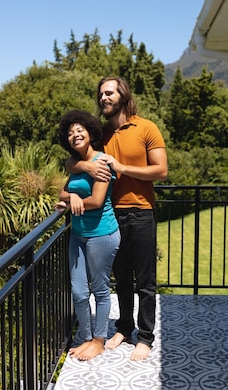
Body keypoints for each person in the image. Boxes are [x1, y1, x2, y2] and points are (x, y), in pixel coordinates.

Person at [67, 77, 168, 361]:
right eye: (100, 94)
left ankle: (145, 337)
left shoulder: (146, 128)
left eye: (108, 93)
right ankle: (124, 327)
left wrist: (123, 167)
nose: (103, 98)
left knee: (145, 280)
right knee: (121, 278)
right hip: (111, 215)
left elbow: (161, 171)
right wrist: (84, 164)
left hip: (141, 211)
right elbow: (72, 159)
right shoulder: (99, 135)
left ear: (122, 95)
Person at [55, 109, 121, 361]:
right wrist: (70, 196)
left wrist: (75, 199)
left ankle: (98, 340)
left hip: (101, 234)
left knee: (100, 289)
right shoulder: (75, 165)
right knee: (79, 291)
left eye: (79, 130)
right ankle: (85, 337)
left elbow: (96, 200)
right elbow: (62, 193)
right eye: (70, 133)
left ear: (90, 133)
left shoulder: (102, 161)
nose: (75, 135)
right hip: (78, 235)